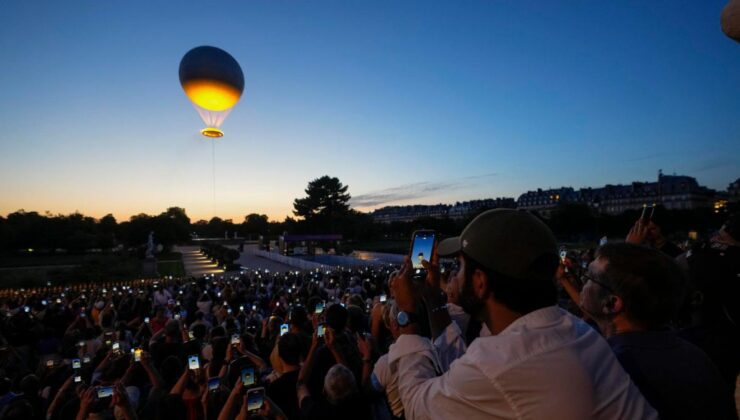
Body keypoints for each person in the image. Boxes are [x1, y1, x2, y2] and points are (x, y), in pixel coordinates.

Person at [390, 209, 657, 419]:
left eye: (459, 266)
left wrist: (407, 313)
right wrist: (432, 296)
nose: (453, 276)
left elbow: (416, 405)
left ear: (480, 283)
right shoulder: (573, 329)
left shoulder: (500, 364)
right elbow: (464, 373)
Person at [581, 241, 738, 419]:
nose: (583, 282)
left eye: (589, 278)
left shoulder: (614, 368)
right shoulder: (695, 356)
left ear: (612, 303)